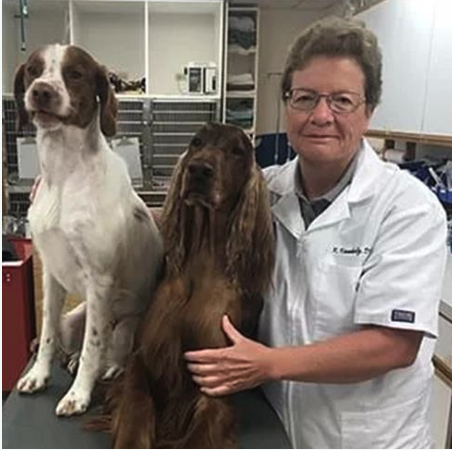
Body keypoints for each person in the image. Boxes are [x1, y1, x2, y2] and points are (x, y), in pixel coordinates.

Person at [184, 16, 448, 449]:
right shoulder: (263, 190)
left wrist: (268, 364)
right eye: (305, 98)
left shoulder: (408, 209)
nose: (321, 116)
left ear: (369, 110)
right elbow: (178, 220)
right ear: (287, 104)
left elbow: (394, 345)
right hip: (277, 432)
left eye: (341, 100)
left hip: (367, 441)